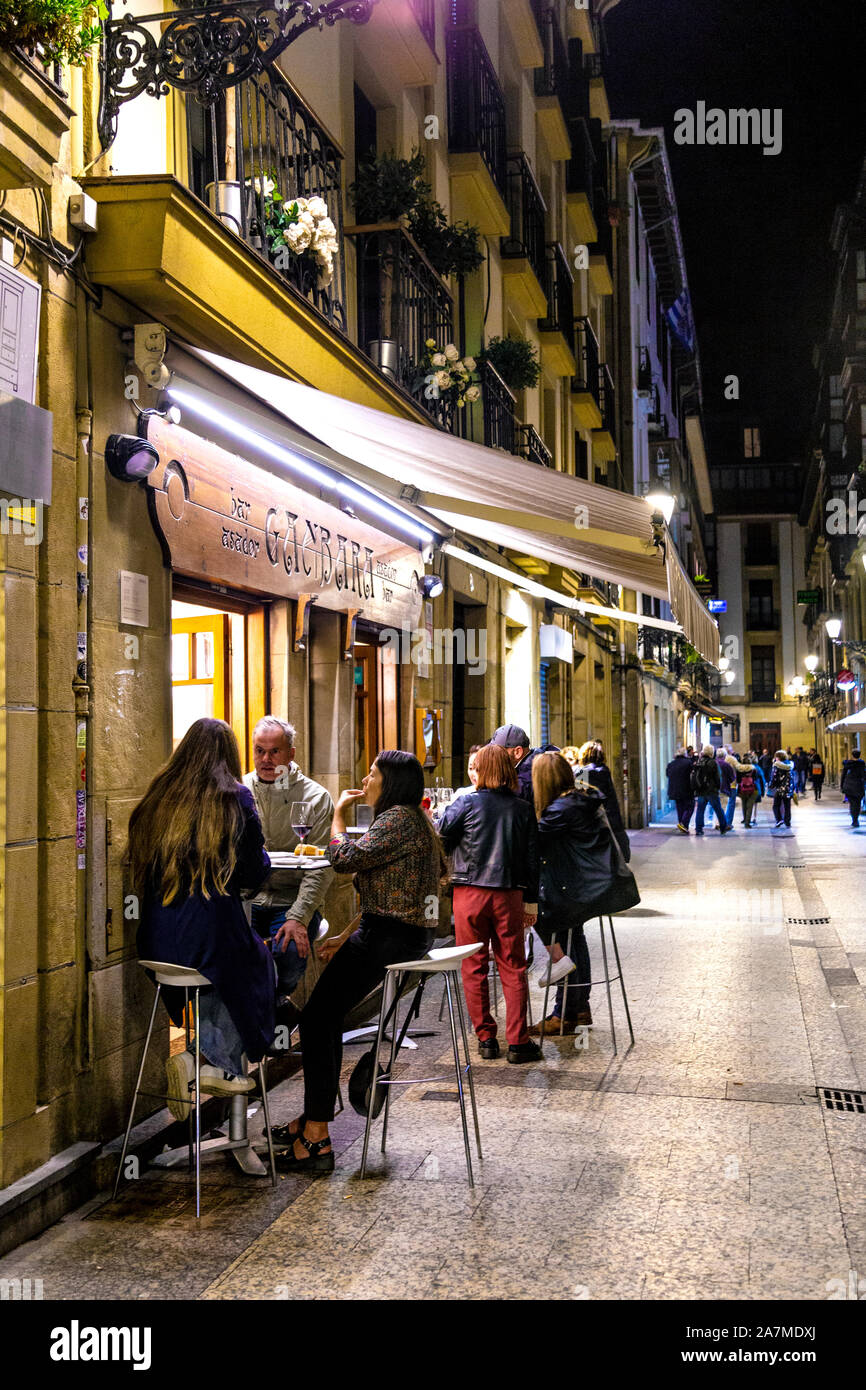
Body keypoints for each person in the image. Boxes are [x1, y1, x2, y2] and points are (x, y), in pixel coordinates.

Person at [272, 751, 447, 1172]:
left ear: (391, 783)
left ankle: (317, 1136)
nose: (365, 780)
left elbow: (342, 858)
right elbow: (389, 896)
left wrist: (337, 812)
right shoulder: (412, 821)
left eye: (373, 774)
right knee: (324, 1018)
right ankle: (314, 1119)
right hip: (395, 935)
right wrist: (345, 936)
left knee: (315, 1020)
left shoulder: (396, 820)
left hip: (388, 940)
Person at [127, 718, 276, 1117]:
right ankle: (208, 1062)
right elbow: (254, 873)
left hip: (156, 938)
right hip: (211, 934)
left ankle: (205, 1061)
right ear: (230, 754)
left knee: (226, 970)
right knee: (259, 961)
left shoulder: (157, 796)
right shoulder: (236, 798)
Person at [438, 744, 542, 1064]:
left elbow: (439, 835)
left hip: (468, 894)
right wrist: (531, 902)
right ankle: (518, 1042)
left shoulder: (465, 804)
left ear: (480, 770)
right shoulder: (523, 809)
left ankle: (486, 1039)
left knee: (473, 964)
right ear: (509, 771)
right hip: (509, 893)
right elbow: (532, 860)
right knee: (513, 965)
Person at [528, 753, 640, 1037]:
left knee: (542, 916)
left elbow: (533, 841)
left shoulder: (561, 809)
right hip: (595, 887)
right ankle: (579, 1007)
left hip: (579, 891)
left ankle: (562, 1013)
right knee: (573, 935)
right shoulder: (582, 798)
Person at [244, 717, 334, 1022]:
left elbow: (322, 867)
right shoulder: (240, 791)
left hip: (291, 898)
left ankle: (268, 1009)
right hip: (249, 898)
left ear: (291, 754)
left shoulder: (315, 797)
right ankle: (272, 1016)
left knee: (287, 951)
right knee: (225, 953)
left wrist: (298, 916)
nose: (266, 760)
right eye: (259, 751)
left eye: (275, 752)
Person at [578, 740, 631, 861]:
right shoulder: (605, 770)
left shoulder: (582, 772)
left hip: (590, 818)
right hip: (609, 815)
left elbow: (578, 797)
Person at [490, 724, 556, 803]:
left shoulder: (524, 784)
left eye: (499, 751)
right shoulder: (537, 761)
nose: (494, 755)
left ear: (517, 752)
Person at [691, 744, 729, 836]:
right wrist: (717, 787)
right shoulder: (713, 763)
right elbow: (717, 777)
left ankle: (699, 829)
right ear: (712, 752)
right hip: (711, 790)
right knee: (718, 809)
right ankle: (723, 827)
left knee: (700, 809)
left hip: (701, 790)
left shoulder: (699, 762)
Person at [725, 749, 765, 828]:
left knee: (744, 804)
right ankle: (747, 822)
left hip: (742, 789)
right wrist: (762, 792)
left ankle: (744, 819)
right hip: (753, 789)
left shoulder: (740, 770)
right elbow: (760, 780)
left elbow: (738, 780)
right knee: (750, 806)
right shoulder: (755, 769)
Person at [666, 746, 696, 833]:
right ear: (685, 754)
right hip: (686, 789)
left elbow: (668, 775)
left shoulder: (671, 764)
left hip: (674, 789)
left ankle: (682, 825)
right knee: (690, 806)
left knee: (680, 807)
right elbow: (692, 775)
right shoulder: (688, 763)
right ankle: (684, 823)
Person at [769, 749, 795, 829]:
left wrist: (771, 785)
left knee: (776, 805)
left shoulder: (777, 765)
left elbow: (774, 777)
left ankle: (779, 819)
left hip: (779, 788)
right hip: (788, 788)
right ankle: (787, 822)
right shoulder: (790, 765)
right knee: (787, 806)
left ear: (778, 757)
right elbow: (792, 777)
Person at [841, 748, 866, 827]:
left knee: (852, 803)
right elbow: (864, 776)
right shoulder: (861, 764)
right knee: (857, 803)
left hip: (849, 786)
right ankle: (856, 819)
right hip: (858, 786)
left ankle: (854, 820)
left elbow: (843, 775)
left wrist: (842, 786)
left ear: (852, 755)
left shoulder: (847, 764)